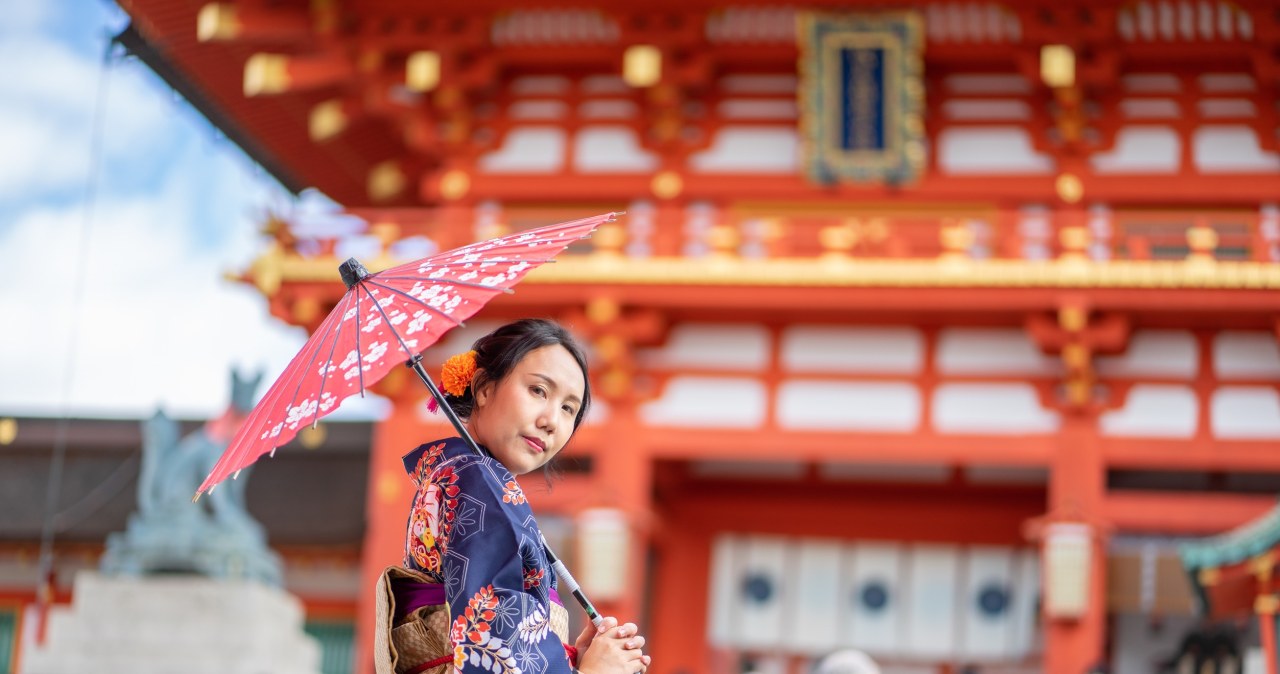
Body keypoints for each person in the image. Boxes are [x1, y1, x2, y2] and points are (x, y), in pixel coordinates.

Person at [383, 319, 650, 674]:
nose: (551, 420)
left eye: (569, 409)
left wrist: (570, 658)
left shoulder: (458, 474)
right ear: (483, 388)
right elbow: (490, 642)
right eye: (538, 390)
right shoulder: (478, 479)